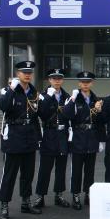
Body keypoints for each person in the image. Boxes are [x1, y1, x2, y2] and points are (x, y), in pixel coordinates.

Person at [0, 61, 42, 219]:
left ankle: (26, 202)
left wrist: (39, 138)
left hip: (29, 137)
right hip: (14, 137)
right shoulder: (9, 90)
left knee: (28, 174)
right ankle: (4, 205)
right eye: (24, 72)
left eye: (29, 72)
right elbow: (3, 106)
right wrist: (11, 89)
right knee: (9, 174)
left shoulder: (33, 93)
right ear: (18, 73)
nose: (27, 74)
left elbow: (36, 117)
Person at [63, 71, 106, 210]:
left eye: (88, 82)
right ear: (79, 83)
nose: (85, 84)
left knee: (90, 170)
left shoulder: (96, 99)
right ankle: (75, 194)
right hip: (78, 137)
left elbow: (100, 122)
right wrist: (73, 99)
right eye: (83, 82)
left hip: (92, 137)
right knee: (76, 170)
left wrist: (101, 140)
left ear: (92, 83)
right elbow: (67, 115)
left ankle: (88, 193)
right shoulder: (73, 98)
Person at [33, 69, 71, 209]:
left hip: (62, 134)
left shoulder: (66, 96)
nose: (57, 80)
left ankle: (59, 195)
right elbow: (41, 114)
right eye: (54, 78)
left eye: (59, 78)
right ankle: (40, 196)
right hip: (49, 133)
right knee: (45, 168)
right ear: (49, 80)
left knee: (61, 168)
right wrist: (49, 98)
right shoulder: (43, 96)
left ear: (62, 80)